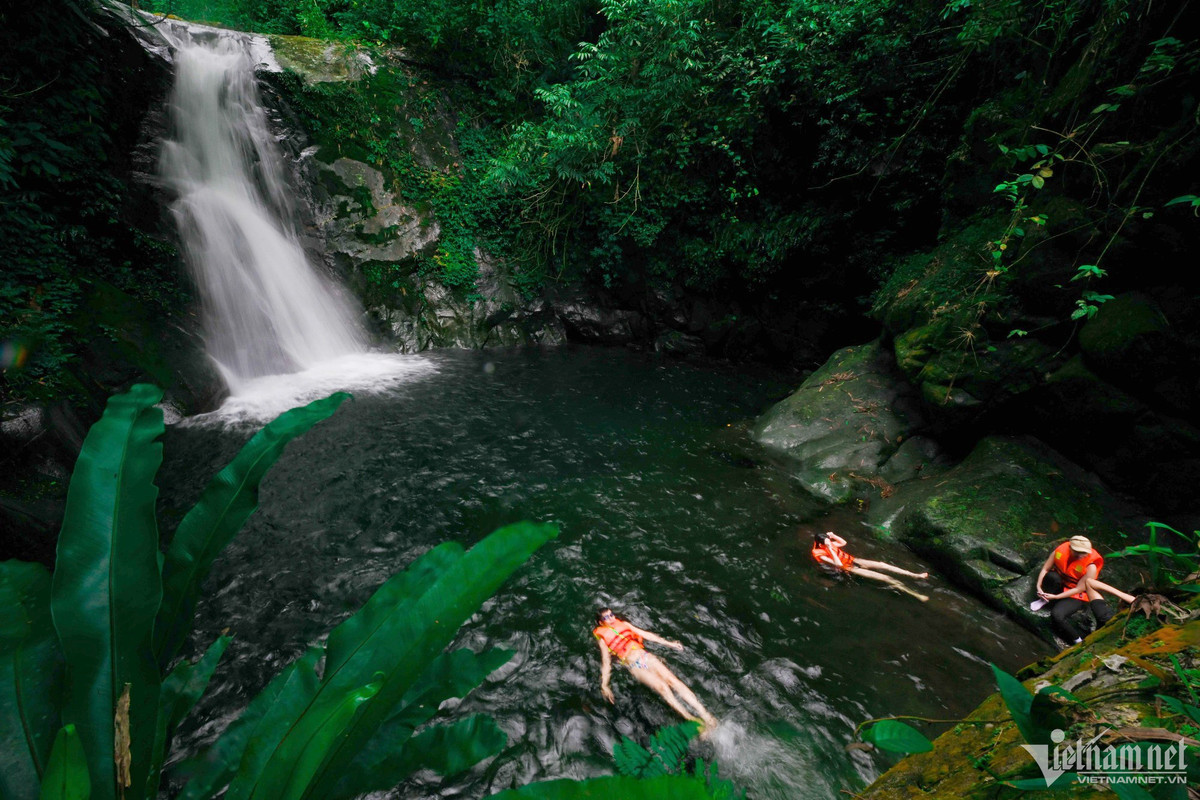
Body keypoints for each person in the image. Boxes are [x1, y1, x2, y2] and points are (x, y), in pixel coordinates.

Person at [592, 608, 717, 729]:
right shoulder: (603, 639)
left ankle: (706, 715)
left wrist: (669, 643)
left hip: (645, 657)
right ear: (601, 622)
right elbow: (606, 661)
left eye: (611, 615)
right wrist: (604, 684)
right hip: (634, 665)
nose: (611, 618)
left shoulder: (624, 624)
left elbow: (646, 635)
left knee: (673, 681)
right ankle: (691, 719)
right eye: (606, 617)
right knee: (662, 688)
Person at [1035, 535, 1135, 646]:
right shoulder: (1061, 551)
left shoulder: (1090, 567)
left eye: (1084, 553)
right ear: (1070, 548)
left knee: (1057, 615)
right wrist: (1039, 587)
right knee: (1052, 577)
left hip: (1075, 593)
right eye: (1077, 552)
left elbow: (1079, 589)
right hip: (1061, 583)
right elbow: (1045, 568)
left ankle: (1077, 641)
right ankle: (1044, 599)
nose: (1081, 555)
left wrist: (1056, 597)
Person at [811, 531, 930, 602]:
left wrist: (833, 536)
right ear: (821, 545)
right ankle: (916, 595)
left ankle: (914, 575)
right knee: (886, 578)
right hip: (849, 568)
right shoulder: (819, 553)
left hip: (855, 561)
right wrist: (829, 549)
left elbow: (843, 543)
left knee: (882, 565)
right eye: (826, 542)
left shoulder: (827, 543)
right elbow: (839, 564)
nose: (829, 543)